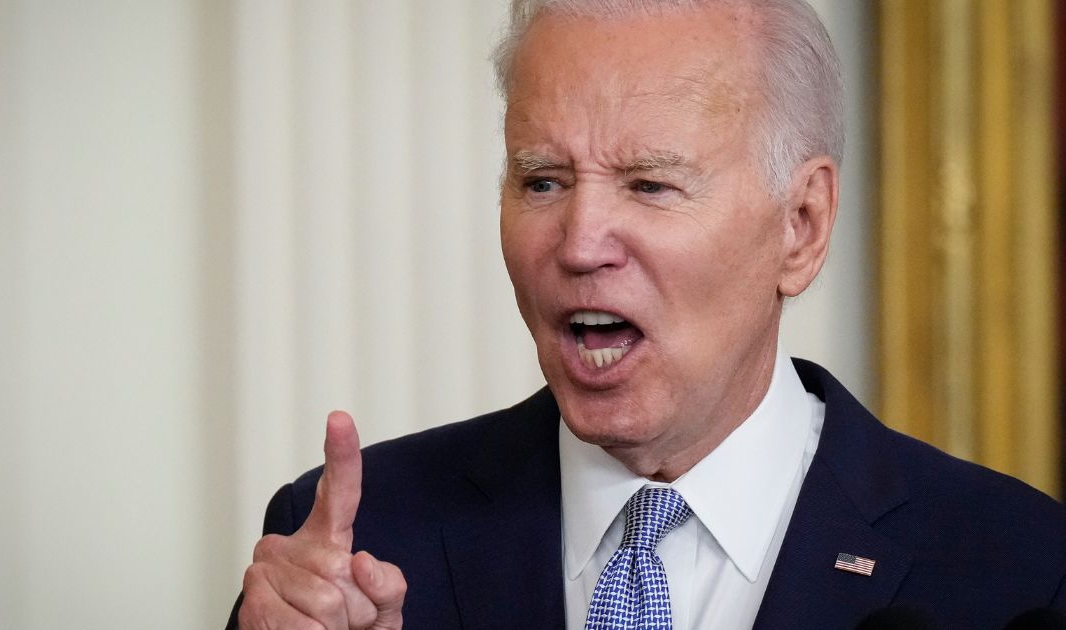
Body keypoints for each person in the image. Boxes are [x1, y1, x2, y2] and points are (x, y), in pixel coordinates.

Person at [229, 0, 1066, 628]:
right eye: (542, 181)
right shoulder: (358, 541)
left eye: (650, 184)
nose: (581, 242)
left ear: (800, 226)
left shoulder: (1015, 568)